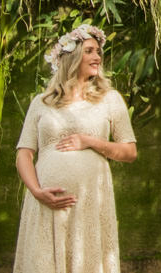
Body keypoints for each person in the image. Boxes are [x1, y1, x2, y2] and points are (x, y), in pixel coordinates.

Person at [12, 25, 137, 273]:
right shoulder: (41, 103)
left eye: (98, 51)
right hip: (45, 203)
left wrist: (90, 141)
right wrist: (37, 191)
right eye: (89, 51)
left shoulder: (110, 99)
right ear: (71, 57)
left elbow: (129, 152)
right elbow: (24, 153)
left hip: (89, 205)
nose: (97, 57)